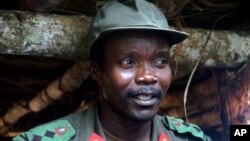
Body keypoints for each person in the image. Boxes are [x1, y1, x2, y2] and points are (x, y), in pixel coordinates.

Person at [13, 0, 211, 141]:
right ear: (96, 71)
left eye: (160, 61)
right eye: (128, 62)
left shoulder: (190, 138)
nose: (148, 76)